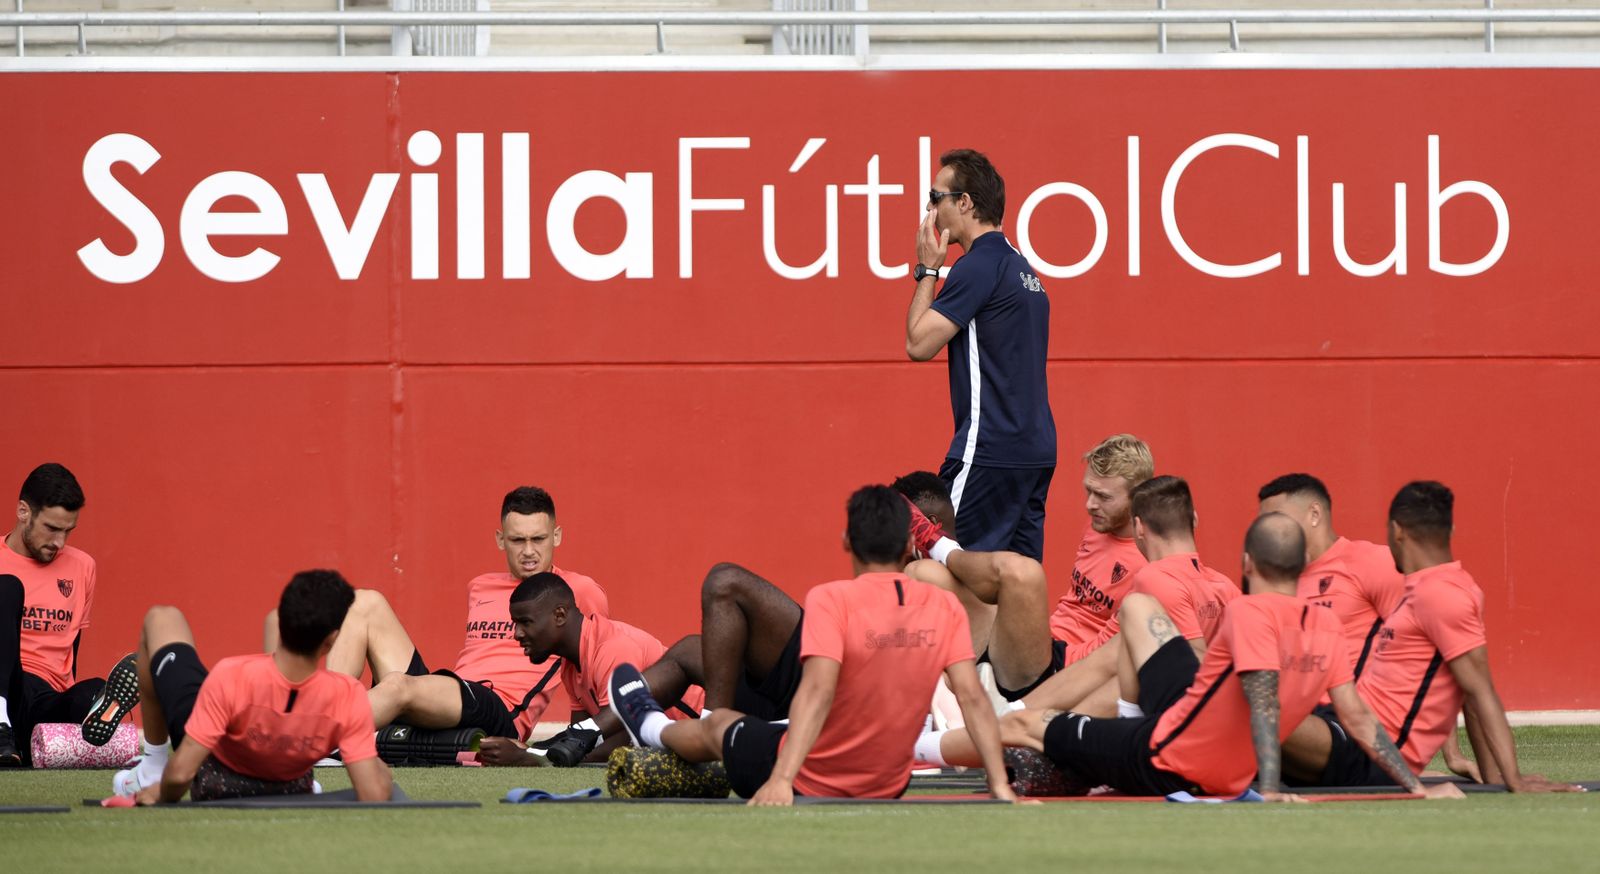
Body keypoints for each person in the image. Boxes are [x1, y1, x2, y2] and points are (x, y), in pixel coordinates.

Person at [990, 514, 1463, 801]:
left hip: (1166, 746)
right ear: (1302, 568)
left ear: (1249, 564)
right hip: (1182, 720)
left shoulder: (1247, 610)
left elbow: (1266, 706)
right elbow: (1353, 715)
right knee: (1134, 615)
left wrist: (1273, 788)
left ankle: (936, 750)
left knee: (1025, 724)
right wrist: (1413, 783)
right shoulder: (1325, 623)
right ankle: (981, 735)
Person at [607, 485, 1014, 804]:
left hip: (811, 779)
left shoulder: (832, 598)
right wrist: (1000, 787)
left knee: (720, 724)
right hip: (889, 785)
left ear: (846, 541)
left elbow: (817, 692)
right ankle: (654, 724)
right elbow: (973, 698)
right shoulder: (943, 605)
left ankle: (648, 723)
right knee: (761, 728)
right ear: (911, 544)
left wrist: (783, 781)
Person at [1281, 482, 1584, 793]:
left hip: (1369, 752)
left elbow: (1479, 690)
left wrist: (1510, 780)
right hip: (1347, 726)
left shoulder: (1442, 595)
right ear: (1450, 530)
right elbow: (1465, 688)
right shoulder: (1421, 590)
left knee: (1253, 701)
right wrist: (1489, 775)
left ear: (1396, 531)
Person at [264, 486, 608, 741]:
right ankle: (325, 706)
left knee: (397, 686)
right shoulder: (481, 586)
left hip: (499, 709)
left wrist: (590, 733)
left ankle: (308, 738)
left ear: (557, 536)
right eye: (518, 540)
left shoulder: (579, 591)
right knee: (363, 601)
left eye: (539, 539)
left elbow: (594, 663)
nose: (529, 551)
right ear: (501, 540)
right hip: (455, 690)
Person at [115, 570, 392, 804]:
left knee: (162, 616)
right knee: (272, 621)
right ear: (330, 643)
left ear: (285, 629)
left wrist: (160, 792)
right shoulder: (347, 694)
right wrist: (379, 769)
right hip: (289, 780)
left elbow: (179, 776)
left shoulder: (231, 675)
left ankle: (152, 766)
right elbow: (374, 794)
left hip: (217, 775)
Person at [905, 148, 1055, 561]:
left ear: (965, 202)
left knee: (940, 565)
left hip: (988, 448)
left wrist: (928, 269)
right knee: (1015, 584)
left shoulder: (978, 266)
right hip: (1036, 452)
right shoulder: (1023, 270)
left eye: (935, 198)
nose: (930, 210)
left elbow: (918, 344)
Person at [475, 572, 704, 767]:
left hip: (706, 734)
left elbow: (622, 739)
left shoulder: (612, 648)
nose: (517, 633)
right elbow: (581, 733)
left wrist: (531, 756)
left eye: (525, 622)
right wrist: (534, 749)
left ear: (560, 615)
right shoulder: (571, 663)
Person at [0, 463, 137, 765]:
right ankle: (0, 724)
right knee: (7, 588)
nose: (59, 543)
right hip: (8, 685)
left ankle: (96, 709)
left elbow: (72, 644)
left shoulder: (82, 566)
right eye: (51, 528)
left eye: (67, 531)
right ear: (24, 512)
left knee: (90, 689)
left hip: (43, 704)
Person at [1110, 475, 1240, 717]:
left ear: (1138, 527)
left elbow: (1191, 668)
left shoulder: (1154, 577)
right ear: (1195, 519)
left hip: (1181, 721)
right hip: (1220, 713)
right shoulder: (1225, 586)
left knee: (1116, 656)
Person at [1257, 473, 1404, 677]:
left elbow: (1413, 641)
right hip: (1296, 706)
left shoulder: (1372, 562)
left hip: (1353, 705)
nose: (1267, 532)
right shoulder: (1274, 583)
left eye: (1276, 520)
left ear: (1314, 514)